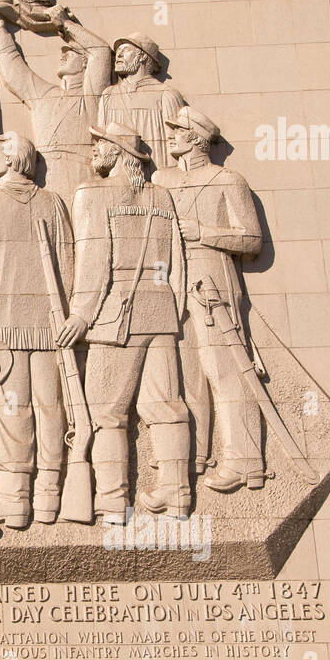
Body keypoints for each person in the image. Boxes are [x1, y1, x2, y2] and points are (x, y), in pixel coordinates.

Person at [56, 120, 191, 521]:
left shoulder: (92, 194)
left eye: (100, 143)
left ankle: (113, 501)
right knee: (166, 406)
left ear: (117, 152)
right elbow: (178, 264)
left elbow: (95, 260)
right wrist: (173, 308)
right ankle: (178, 494)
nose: (93, 149)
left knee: (106, 413)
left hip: (116, 317)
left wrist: (82, 313)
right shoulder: (162, 197)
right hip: (162, 313)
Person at [0, 131, 73, 528]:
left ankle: (15, 502)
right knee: (49, 409)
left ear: (12, 159)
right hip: (51, 326)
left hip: (3, 326)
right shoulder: (53, 202)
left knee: (12, 413)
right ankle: (48, 500)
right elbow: (69, 267)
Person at [154, 106, 266, 491]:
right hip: (169, 281)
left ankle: (246, 459)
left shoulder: (227, 179)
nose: (170, 136)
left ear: (196, 138)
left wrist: (203, 231)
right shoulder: (161, 180)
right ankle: (193, 456)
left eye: (177, 131)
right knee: (182, 374)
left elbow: (251, 239)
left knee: (224, 368)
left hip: (212, 279)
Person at [0, 8, 112, 202]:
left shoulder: (91, 97)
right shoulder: (46, 95)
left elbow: (101, 51)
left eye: (71, 54)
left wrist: (65, 24)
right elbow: (15, 74)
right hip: (44, 179)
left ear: (84, 63)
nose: (63, 56)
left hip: (80, 177)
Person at [96, 32, 185, 173]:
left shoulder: (166, 94)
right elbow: (101, 141)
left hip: (156, 174)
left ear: (143, 56)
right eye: (118, 51)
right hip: (119, 175)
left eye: (125, 50)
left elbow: (176, 144)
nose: (118, 56)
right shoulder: (108, 95)